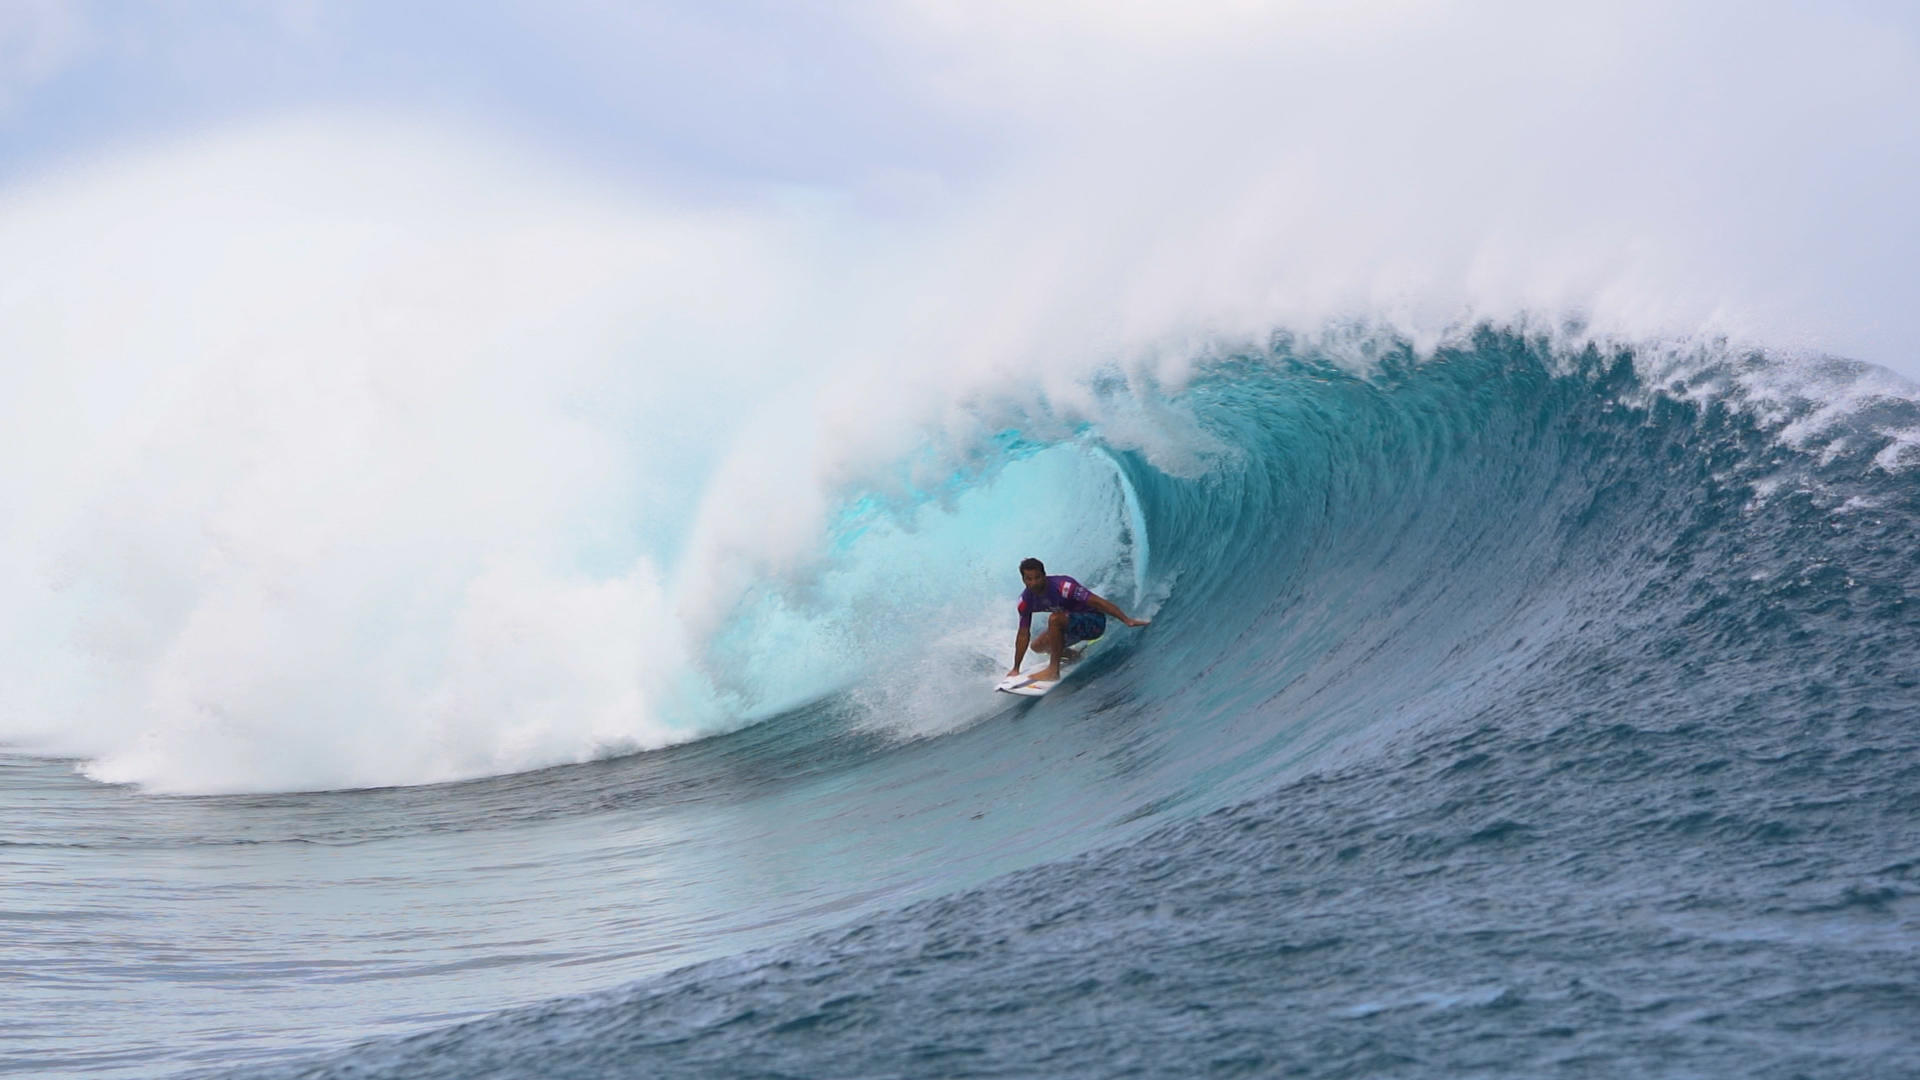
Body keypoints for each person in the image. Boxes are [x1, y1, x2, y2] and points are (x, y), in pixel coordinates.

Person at [1007, 557, 1149, 685]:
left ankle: (1053, 671)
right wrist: (1016, 668)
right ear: (1023, 579)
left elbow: (1097, 602)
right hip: (1071, 627)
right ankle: (1073, 656)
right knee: (1038, 646)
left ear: (1044, 575)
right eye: (1029, 579)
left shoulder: (1063, 586)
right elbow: (1023, 634)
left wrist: (1127, 620)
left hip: (1094, 623)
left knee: (1055, 619)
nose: (1034, 583)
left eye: (1037, 577)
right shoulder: (1025, 601)